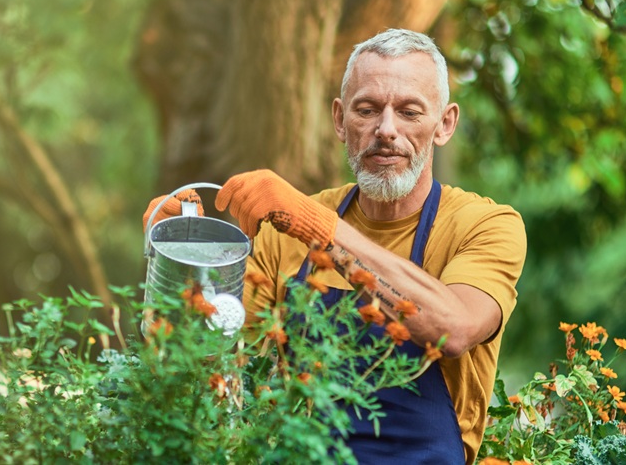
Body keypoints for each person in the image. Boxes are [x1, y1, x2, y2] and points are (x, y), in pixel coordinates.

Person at [144, 28, 526, 464]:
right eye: (367, 109)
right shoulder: (284, 228)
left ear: (445, 124)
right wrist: (184, 264)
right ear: (340, 120)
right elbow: (215, 365)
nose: (386, 129)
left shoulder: (485, 225)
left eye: (409, 111)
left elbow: (454, 327)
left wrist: (319, 229)